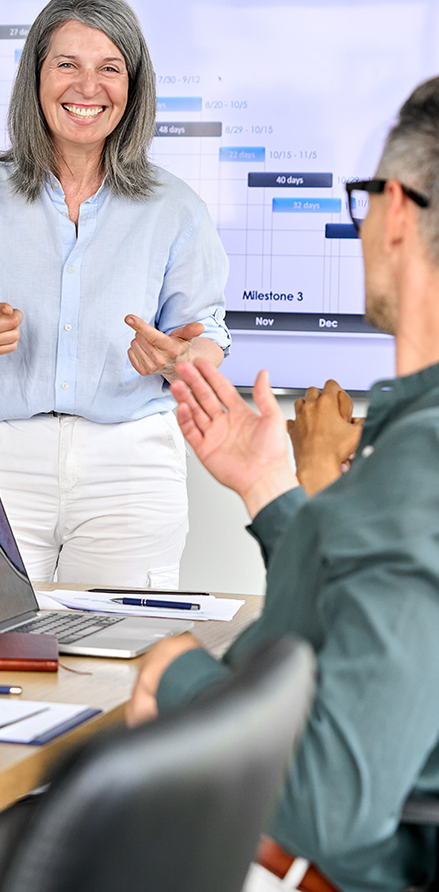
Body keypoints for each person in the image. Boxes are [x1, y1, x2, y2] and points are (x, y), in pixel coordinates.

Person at [128, 75, 439, 892]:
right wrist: (271, 492)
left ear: (398, 213)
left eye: (368, 199)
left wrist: (176, 671)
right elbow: (383, 615)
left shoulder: (421, 466)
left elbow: (329, 806)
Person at [0, 0, 230, 587]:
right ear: (35, 77)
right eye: (67, 64)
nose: (88, 87)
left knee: (121, 661)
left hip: (131, 465)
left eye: (110, 67)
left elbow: (206, 337)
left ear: (133, 89)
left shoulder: (176, 208)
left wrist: (183, 359)